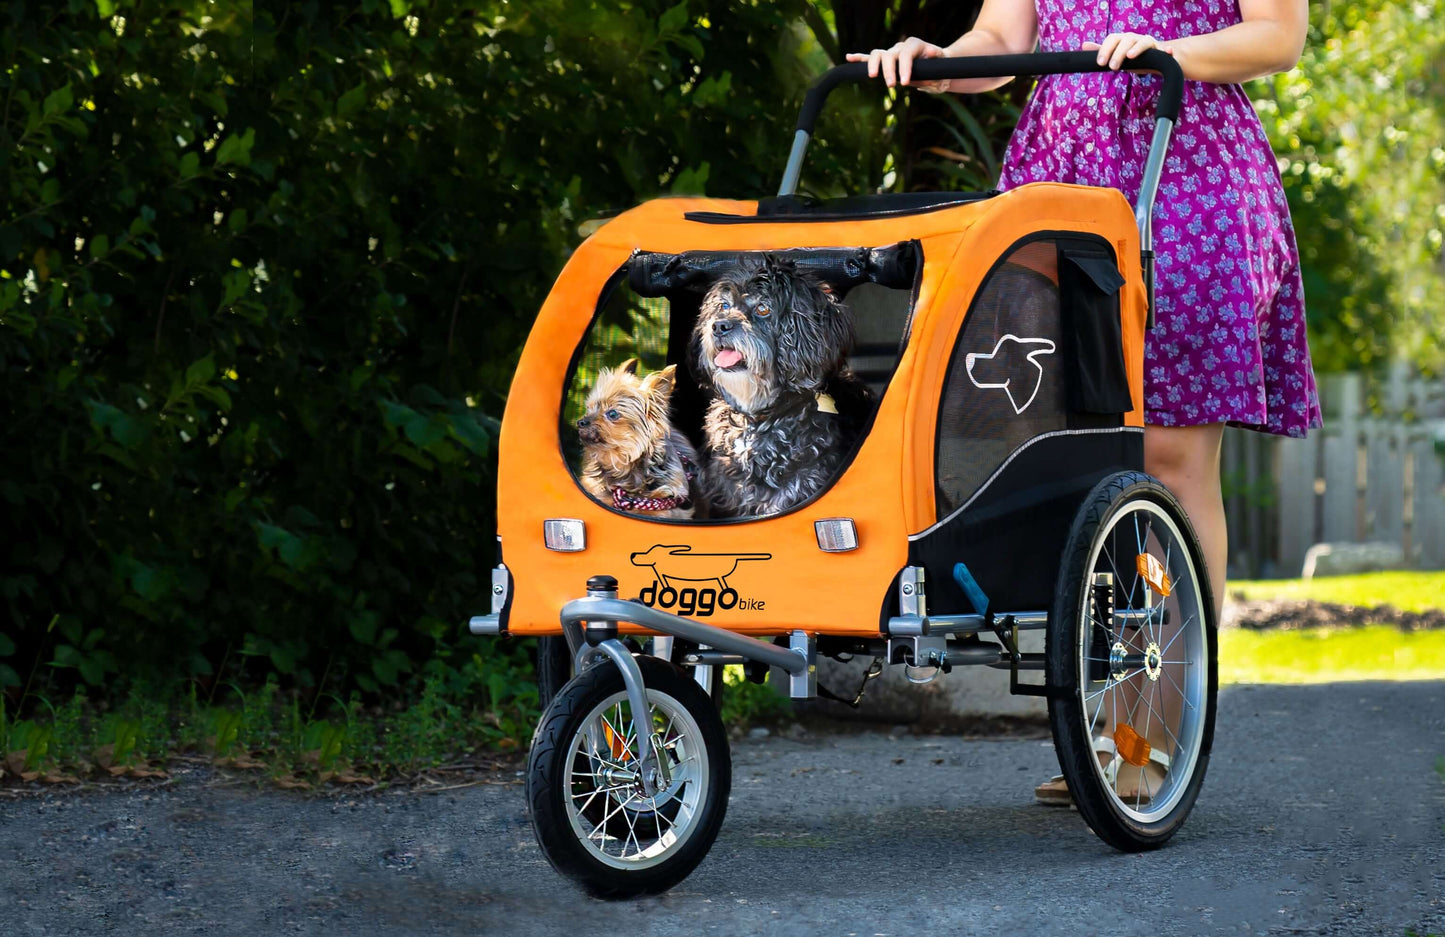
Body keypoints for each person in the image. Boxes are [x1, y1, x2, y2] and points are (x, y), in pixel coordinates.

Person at [850, 0, 1322, 803]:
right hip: (1058, 179)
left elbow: (1278, 37)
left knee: (1170, 459)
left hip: (1187, 172)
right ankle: (1102, 727)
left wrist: (1166, 49)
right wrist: (937, 57)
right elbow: (1002, 42)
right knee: (1063, 453)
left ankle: (1155, 729)